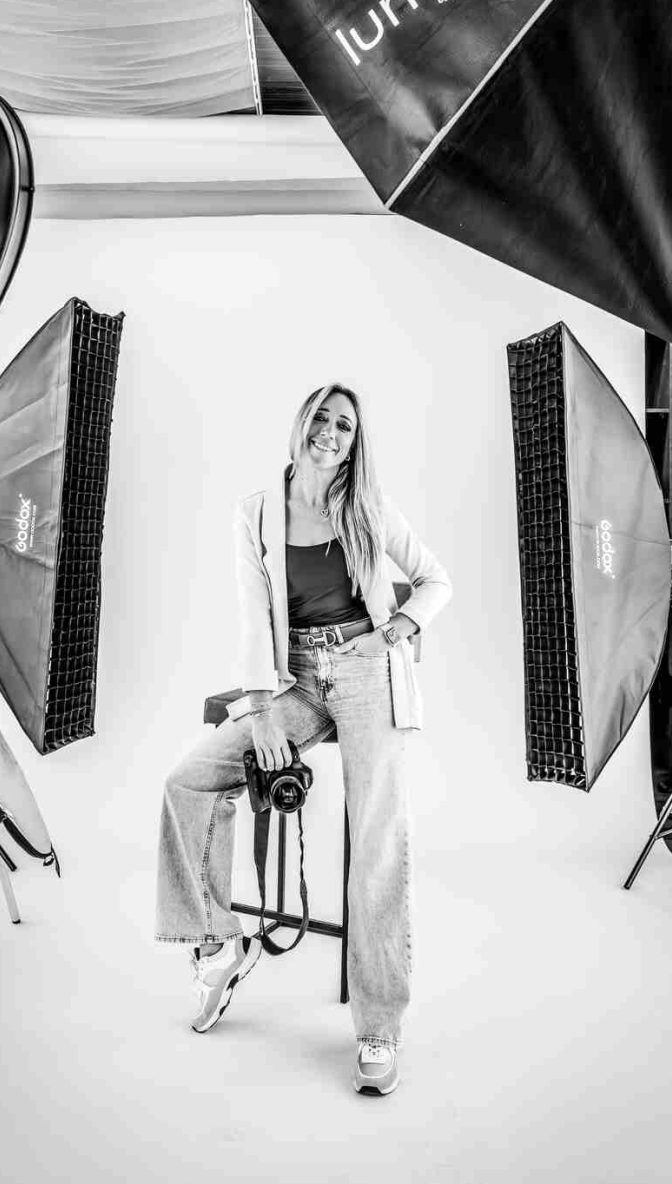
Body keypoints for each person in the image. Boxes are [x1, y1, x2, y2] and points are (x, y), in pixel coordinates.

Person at [154, 382, 452, 1095]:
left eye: (344, 425)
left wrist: (394, 632)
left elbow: (434, 581)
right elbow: (253, 616)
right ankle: (217, 942)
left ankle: (378, 1028)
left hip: (365, 670)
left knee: (376, 841)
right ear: (300, 424)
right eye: (321, 418)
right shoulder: (256, 511)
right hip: (296, 680)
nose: (330, 432)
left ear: (354, 442)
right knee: (189, 780)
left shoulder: (368, 506)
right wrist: (260, 712)